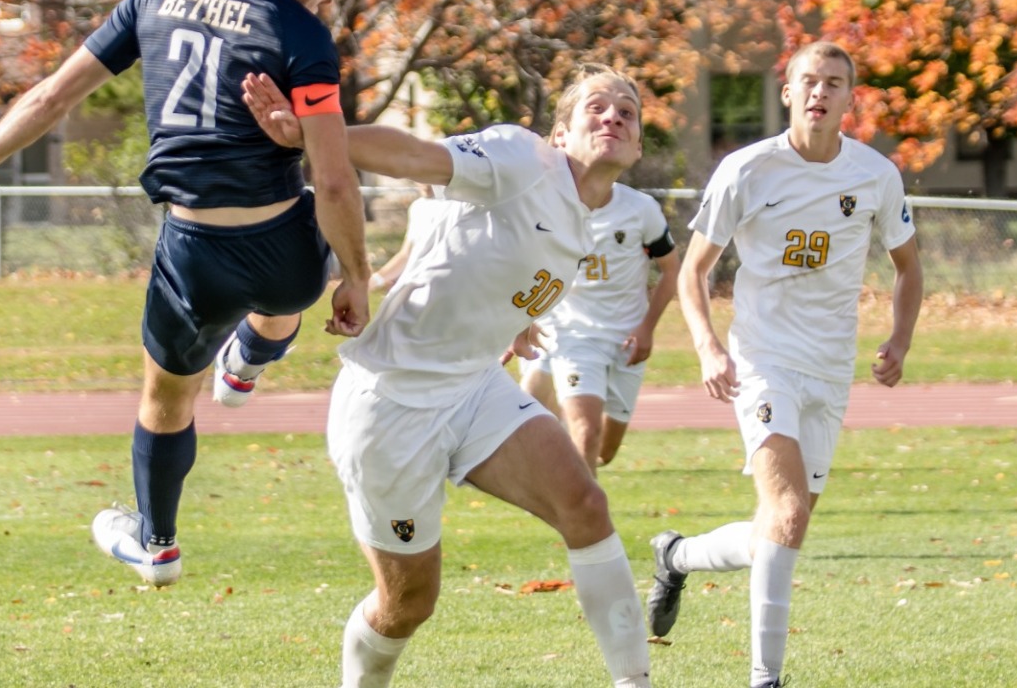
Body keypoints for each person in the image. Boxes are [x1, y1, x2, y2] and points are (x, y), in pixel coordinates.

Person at [0, 0, 381, 587]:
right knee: (294, 288)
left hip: (192, 253)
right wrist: (358, 275)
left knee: (164, 399)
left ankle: (156, 544)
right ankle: (250, 358)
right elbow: (336, 178)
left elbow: (52, 94)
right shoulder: (303, 33)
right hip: (281, 246)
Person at [243, 64, 655, 688]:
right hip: (390, 405)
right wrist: (312, 135)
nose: (613, 117)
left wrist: (514, 325)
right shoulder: (525, 159)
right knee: (408, 604)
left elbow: (483, 256)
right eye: (596, 107)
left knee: (585, 503)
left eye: (628, 111)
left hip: (472, 389)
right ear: (561, 132)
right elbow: (414, 156)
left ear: (639, 145)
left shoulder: (582, 220)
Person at [645, 41, 924, 688]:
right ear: (790, 93)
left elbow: (908, 268)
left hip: (831, 369)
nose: (821, 92)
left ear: (851, 99)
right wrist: (709, 346)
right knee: (788, 512)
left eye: (834, 83)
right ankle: (764, 678)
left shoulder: (876, 175)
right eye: (809, 81)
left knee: (780, 529)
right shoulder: (747, 170)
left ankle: (678, 555)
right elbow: (694, 271)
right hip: (764, 359)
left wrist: (899, 340)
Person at [518, 182, 681, 473]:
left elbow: (671, 269)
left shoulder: (640, 208)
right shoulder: (544, 207)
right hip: (572, 335)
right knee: (586, 431)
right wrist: (523, 322)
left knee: (603, 450)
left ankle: (557, 451)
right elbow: (524, 268)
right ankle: (571, 509)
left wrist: (647, 328)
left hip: (626, 341)